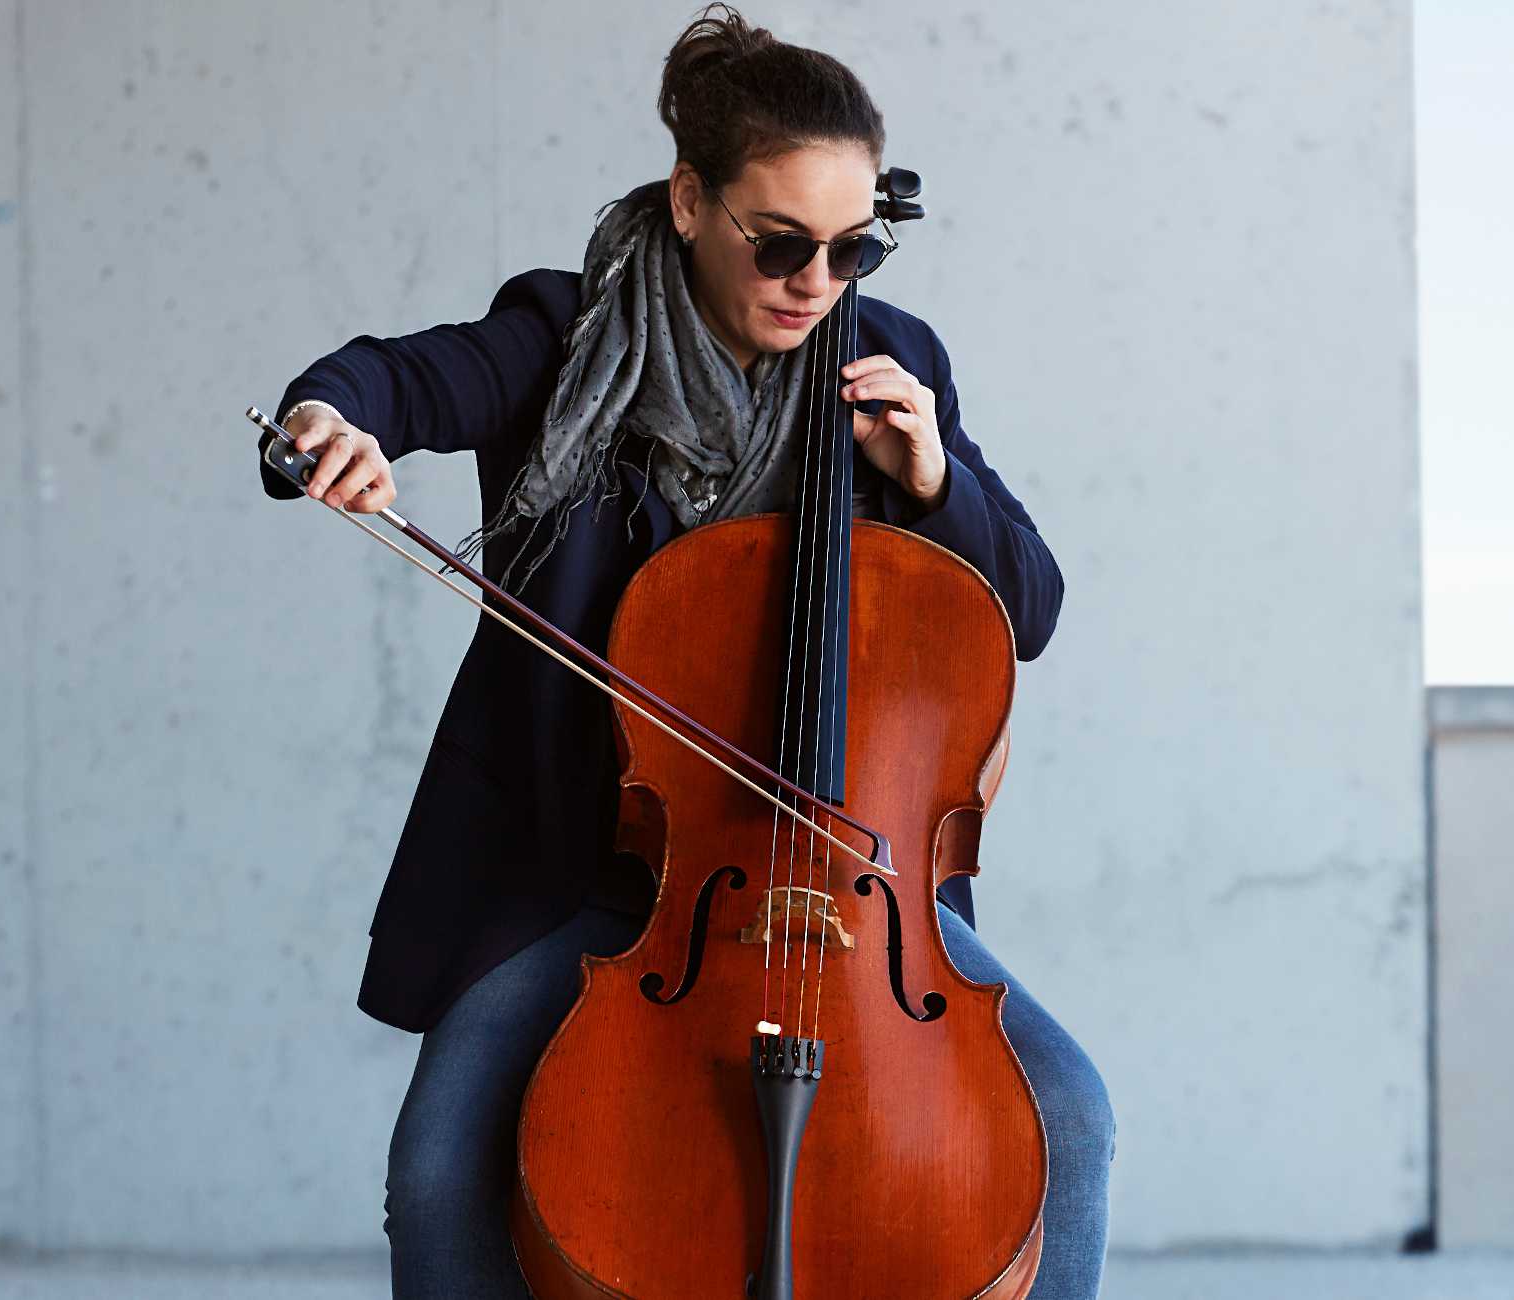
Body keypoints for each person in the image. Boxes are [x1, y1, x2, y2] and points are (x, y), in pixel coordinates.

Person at [256, 7, 1111, 1296]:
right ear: (693, 198)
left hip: (858, 898)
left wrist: (936, 481)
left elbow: (1028, 612)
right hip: (604, 890)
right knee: (440, 1168)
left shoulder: (894, 361)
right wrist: (329, 421)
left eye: (852, 246)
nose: (818, 285)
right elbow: (394, 379)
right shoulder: (560, 337)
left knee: (1075, 1120)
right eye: (781, 244)